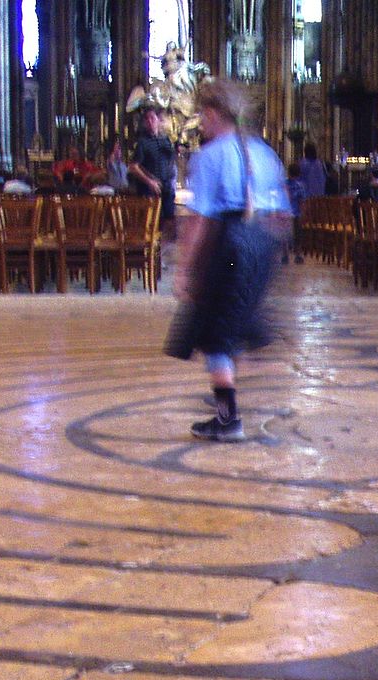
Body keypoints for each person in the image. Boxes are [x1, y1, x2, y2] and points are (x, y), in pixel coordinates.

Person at [166, 78, 290, 442]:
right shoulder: (265, 152)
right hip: (261, 244)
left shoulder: (209, 155)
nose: (200, 125)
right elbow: (283, 216)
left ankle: (227, 417)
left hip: (230, 245)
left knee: (213, 331)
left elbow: (200, 219)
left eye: (201, 117)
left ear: (211, 113)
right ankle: (231, 376)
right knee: (231, 319)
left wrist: (186, 269)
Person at [129, 105, 178, 227]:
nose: (150, 121)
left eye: (152, 118)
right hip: (149, 189)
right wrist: (149, 181)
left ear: (158, 120)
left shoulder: (165, 140)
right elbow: (134, 167)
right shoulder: (142, 142)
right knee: (151, 223)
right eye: (147, 119)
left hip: (166, 187)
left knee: (169, 221)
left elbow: (171, 160)